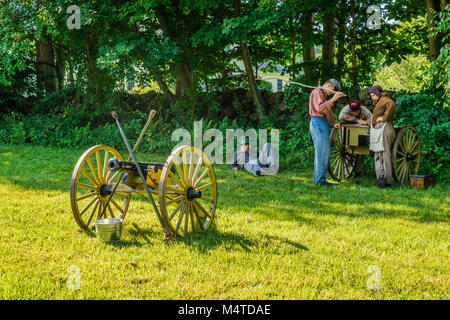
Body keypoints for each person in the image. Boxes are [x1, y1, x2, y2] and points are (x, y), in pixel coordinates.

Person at [309, 78, 345, 186]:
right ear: (329, 85)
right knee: (322, 153)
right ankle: (320, 181)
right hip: (318, 123)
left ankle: (319, 180)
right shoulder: (317, 92)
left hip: (322, 123)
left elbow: (327, 110)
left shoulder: (323, 94)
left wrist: (333, 122)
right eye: (332, 91)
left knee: (323, 152)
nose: (330, 94)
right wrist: (333, 99)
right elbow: (320, 109)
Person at [368, 85, 396, 188]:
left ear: (378, 93)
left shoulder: (385, 100)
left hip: (384, 128)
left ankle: (387, 181)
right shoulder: (380, 101)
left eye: (373, 95)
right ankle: (381, 177)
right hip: (378, 129)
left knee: (384, 153)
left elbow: (392, 104)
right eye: (371, 95)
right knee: (377, 153)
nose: (372, 97)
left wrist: (384, 118)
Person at [338, 99, 373, 177]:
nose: (354, 113)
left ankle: (358, 172)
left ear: (360, 108)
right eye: (352, 111)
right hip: (349, 132)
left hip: (362, 133)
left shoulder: (365, 111)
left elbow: (373, 120)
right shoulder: (347, 108)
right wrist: (356, 120)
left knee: (361, 151)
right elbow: (341, 116)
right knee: (348, 152)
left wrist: (366, 122)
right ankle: (347, 172)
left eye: (356, 111)